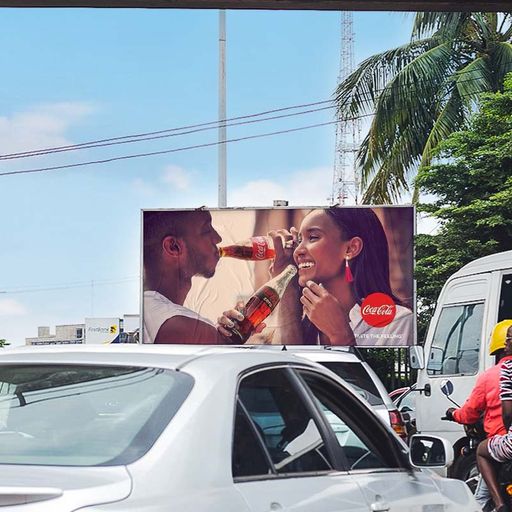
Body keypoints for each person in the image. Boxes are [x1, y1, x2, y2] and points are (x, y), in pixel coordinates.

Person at [271, 207, 412, 346]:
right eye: (299, 241)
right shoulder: (302, 321)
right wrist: (286, 288)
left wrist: (340, 335)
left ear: (351, 248)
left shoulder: (397, 321)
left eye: (313, 237)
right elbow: (283, 366)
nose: (298, 251)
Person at [445, 320, 512, 511]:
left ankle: (498, 504)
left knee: (481, 496)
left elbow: (469, 413)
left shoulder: (493, 375)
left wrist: (453, 414)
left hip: (501, 444)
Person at [143, 210, 225, 344]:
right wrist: (272, 283)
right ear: (173, 247)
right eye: (206, 231)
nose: (218, 238)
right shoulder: (180, 326)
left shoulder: (153, 311)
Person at [477, 322, 512, 512]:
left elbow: (507, 413)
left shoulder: (505, 370)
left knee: (482, 451)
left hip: (506, 442)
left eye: (509, 339)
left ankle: (499, 504)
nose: (507, 342)